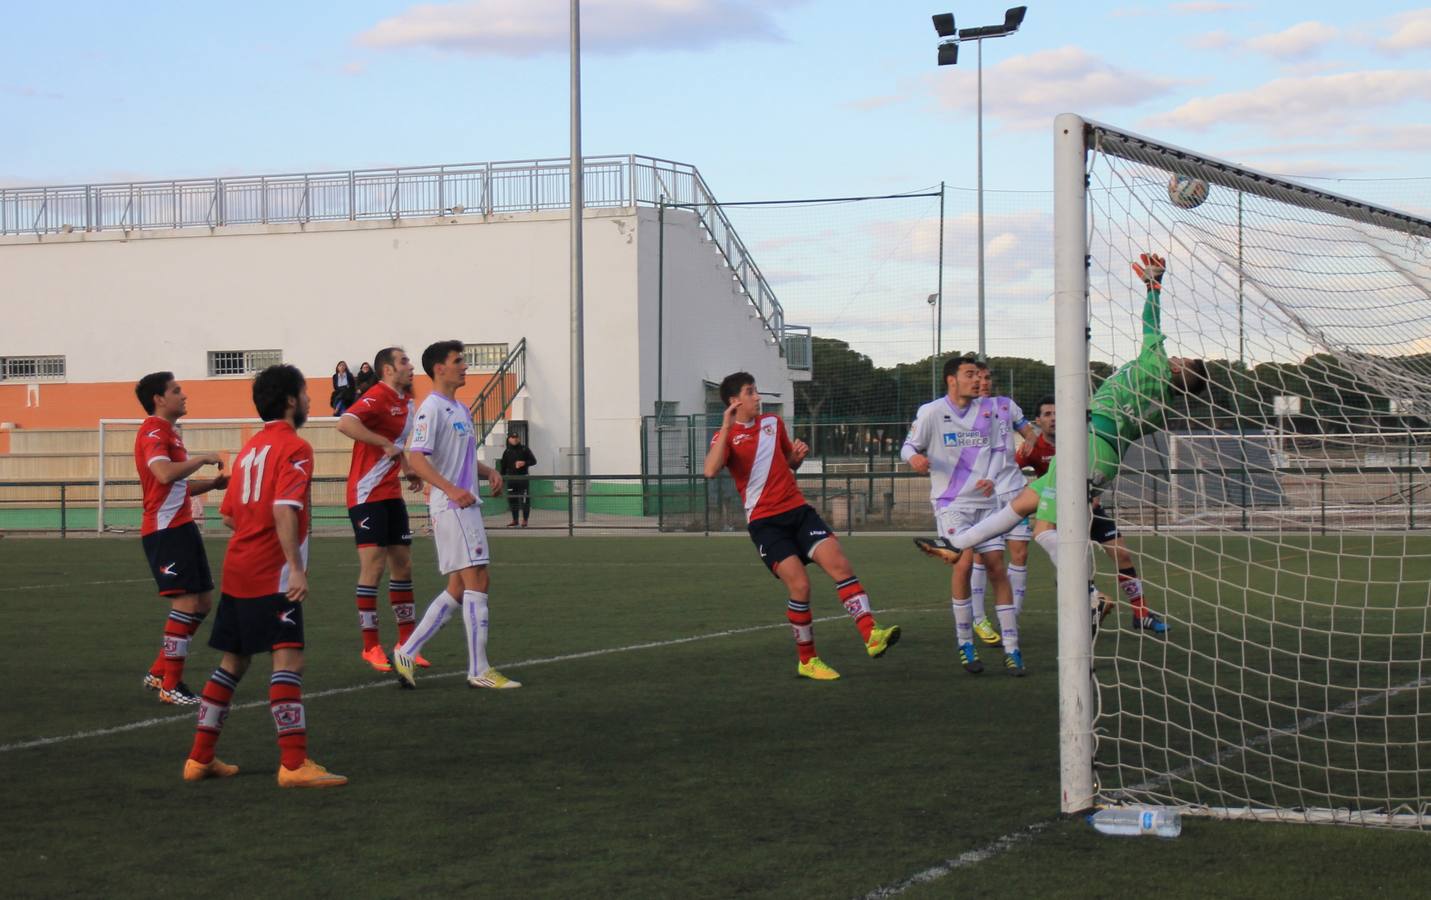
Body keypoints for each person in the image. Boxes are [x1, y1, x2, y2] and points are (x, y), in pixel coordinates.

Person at [938, 253, 1207, 633]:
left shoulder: (1156, 365)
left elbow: (1151, 323)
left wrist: (1153, 285)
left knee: (1044, 530)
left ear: (1178, 370)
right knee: (1022, 505)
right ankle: (957, 543)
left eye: (1181, 359)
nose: (1174, 355)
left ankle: (1090, 594)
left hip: (1090, 444)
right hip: (1103, 457)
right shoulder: (1161, 407)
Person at [183, 364, 347, 787]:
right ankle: (293, 764)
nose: (310, 401)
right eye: (306, 393)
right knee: (289, 657)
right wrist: (294, 566)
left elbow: (229, 518)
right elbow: (283, 508)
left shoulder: (251, 448)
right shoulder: (295, 447)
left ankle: (200, 758)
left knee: (233, 662)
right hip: (270, 573)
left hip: (238, 567)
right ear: (291, 400)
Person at [703, 371, 900, 681]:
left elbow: (787, 464)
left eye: (756, 391)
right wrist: (727, 425)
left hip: (798, 512)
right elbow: (711, 470)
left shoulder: (773, 424)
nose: (758, 397)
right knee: (800, 585)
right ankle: (807, 661)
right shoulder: (724, 437)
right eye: (750, 392)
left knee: (841, 566)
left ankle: (871, 634)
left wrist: (795, 458)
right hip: (766, 523)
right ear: (734, 400)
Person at [391, 340, 516, 690]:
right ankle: (479, 669)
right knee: (479, 579)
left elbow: (458, 459)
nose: (464, 366)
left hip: (465, 504)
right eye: (458, 361)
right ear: (439, 369)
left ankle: (407, 651)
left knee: (459, 587)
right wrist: (449, 489)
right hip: (454, 508)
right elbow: (417, 458)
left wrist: (487, 470)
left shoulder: (460, 409)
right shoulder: (431, 409)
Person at [905, 356, 1031, 676]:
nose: (978, 380)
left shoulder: (987, 411)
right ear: (952, 379)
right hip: (951, 503)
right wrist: (914, 459)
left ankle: (1012, 649)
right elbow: (908, 446)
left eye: (979, 375)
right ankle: (965, 643)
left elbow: (995, 450)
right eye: (970, 374)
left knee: (996, 569)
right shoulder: (932, 412)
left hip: (986, 504)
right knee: (962, 562)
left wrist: (990, 476)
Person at [1013, 395, 1164, 633]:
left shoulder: (1080, 439)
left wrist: (1094, 496)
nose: (1053, 419)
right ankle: (1084, 613)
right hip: (1056, 511)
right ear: (1037, 421)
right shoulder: (1031, 448)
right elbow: (1009, 473)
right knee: (1071, 566)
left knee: (1122, 554)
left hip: (1090, 506)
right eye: (1047, 414)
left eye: (1057, 413)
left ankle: (1141, 614)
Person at [134, 372, 229, 705]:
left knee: (202, 602)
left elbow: (175, 486)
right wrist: (201, 459)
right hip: (165, 530)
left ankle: (160, 670)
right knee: (186, 603)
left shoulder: (168, 433)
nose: (184, 395)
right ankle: (171, 686)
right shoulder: (153, 431)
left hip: (181, 525)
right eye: (177, 390)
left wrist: (213, 485)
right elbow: (162, 474)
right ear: (159, 399)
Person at [337, 347, 424, 672]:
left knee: (403, 565)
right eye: (404, 361)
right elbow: (345, 423)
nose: (410, 366)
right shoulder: (376, 395)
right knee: (372, 568)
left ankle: (406, 644)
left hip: (389, 492)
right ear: (388, 369)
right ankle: (370, 646)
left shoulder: (406, 402)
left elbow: (396, 442)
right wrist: (383, 443)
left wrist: (405, 465)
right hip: (365, 493)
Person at [964, 362, 1039, 646]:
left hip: (1014, 489)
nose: (983, 382)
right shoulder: (962, 411)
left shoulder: (1006, 405)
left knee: (1019, 554)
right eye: (977, 377)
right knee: (984, 557)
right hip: (984, 493)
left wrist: (1030, 439)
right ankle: (980, 618)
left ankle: (1012, 617)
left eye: (986, 377)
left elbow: (1027, 430)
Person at [498, 431, 537, 527]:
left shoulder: (525, 449)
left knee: (525, 499)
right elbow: (503, 468)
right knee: (512, 500)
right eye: (512, 437)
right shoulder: (506, 452)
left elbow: (533, 461)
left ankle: (525, 520)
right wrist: (501, 481)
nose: (515, 439)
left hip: (523, 478)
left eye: (516, 437)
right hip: (511, 480)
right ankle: (515, 520)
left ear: (519, 438)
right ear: (509, 439)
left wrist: (524, 463)